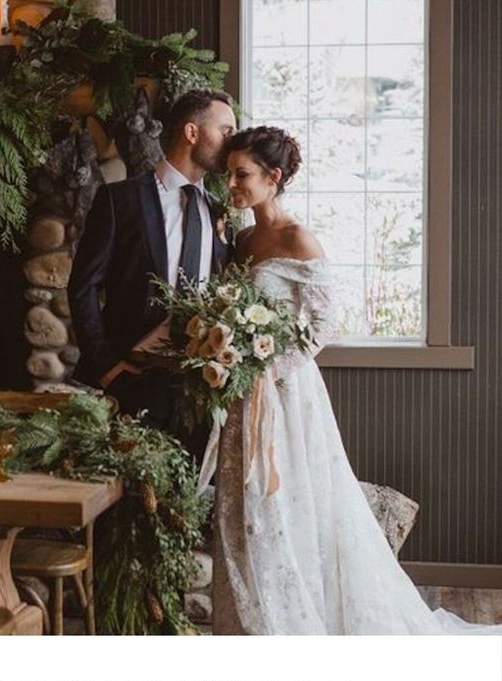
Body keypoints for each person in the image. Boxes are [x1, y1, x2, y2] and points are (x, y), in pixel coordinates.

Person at [211, 124, 502, 635]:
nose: (232, 185)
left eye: (242, 175)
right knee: (246, 506)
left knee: (286, 500)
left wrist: (265, 370)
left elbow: (322, 325)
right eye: (229, 175)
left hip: (286, 392)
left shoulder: (297, 238)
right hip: (242, 390)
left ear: (273, 177)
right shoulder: (241, 239)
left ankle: (301, 619)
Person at [68, 88, 236, 459]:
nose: (232, 140)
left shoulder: (221, 211)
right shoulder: (120, 200)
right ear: (192, 132)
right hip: (132, 380)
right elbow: (83, 287)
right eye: (225, 130)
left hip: (201, 387)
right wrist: (107, 368)